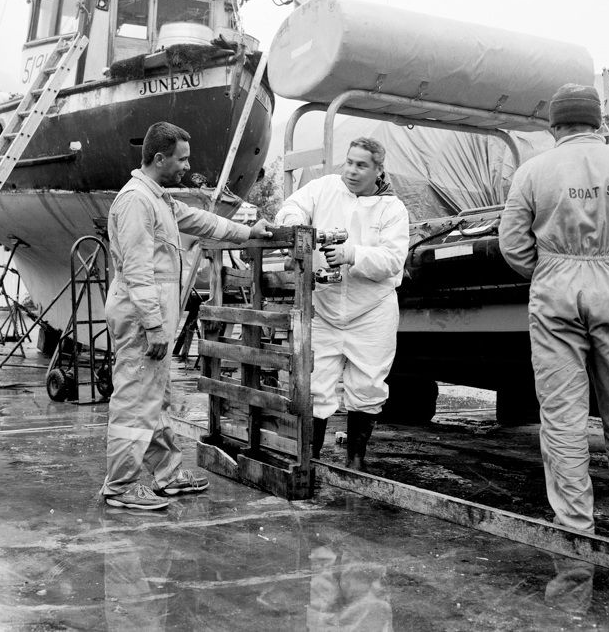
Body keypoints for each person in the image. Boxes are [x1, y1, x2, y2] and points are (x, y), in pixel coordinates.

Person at [498, 84, 609, 537]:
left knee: (562, 412)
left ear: (553, 124)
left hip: (555, 285)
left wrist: (546, 269)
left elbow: (512, 243)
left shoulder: (533, 171)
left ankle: (575, 522)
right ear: (598, 122)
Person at [101, 121, 272, 510]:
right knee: (133, 402)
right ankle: (120, 487)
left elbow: (202, 221)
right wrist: (156, 327)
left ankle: (167, 475)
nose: (186, 166)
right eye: (181, 159)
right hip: (142, 320)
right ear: (159, 158)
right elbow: (138, 273)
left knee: (155, 398)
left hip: (152, 319)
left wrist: (248, 232)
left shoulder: (158, 198)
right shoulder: (135, 202)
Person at [275, 137, 410, 471]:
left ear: (379, 170)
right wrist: (296, 226)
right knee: (315, 383)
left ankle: (355, 462)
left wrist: (353, 254)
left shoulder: (392, 208)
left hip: (371, 311)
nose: (351, 170)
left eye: (361, 165)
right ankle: (311, 461)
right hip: (326, 307)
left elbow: (393, 260)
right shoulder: (324, 189)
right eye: (349, 162)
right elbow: (290, 208)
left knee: (367, 385)